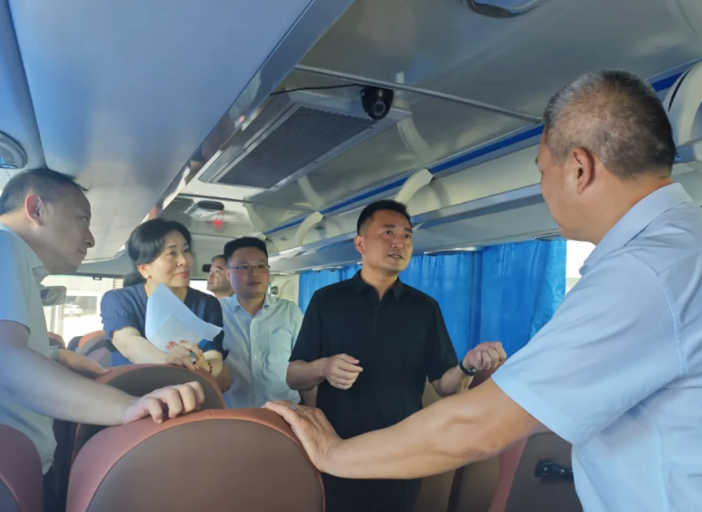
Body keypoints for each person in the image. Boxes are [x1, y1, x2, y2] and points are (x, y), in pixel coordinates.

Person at [266, 70, 702, 512]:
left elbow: (479, 425)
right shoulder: (679, 249)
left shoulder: (643, 273)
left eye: (542, 171)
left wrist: (333, 452)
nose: (542, 187)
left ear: (579, 168)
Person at [0, 168, 206, 512]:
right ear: (35, 208)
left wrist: (55, 356)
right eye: (82, 219)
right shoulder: (4, 245)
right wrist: (125, 406)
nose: (91, 239)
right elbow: (7, 362)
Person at [285, 199, 506, 512]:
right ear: (360, 244)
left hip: (402, 451)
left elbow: (446, 386)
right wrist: (324, 367)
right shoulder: (327, 300)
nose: (399, 242)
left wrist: (467, 366)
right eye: (388, 233)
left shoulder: (424, 308)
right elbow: (294, 375)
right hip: (338, 447)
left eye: (407, 236)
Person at [100, 219, 232, 391]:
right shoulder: (119, 300)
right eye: (171, 253)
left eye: (186, 251)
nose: (184, 260)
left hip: (189, 396)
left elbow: (213, 354)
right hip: (131, 397)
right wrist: (168, 361)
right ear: (144, 268)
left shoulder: (207, 304)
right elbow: (128, 343)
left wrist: (206, 368)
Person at [219, 237, 309, 408]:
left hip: (285, 414)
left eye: (261, 266)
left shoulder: (289, 312)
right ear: (228, 274)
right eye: (244, 267)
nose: (254, 273)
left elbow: (305, 367)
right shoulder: (216, 314)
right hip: (234, 415)